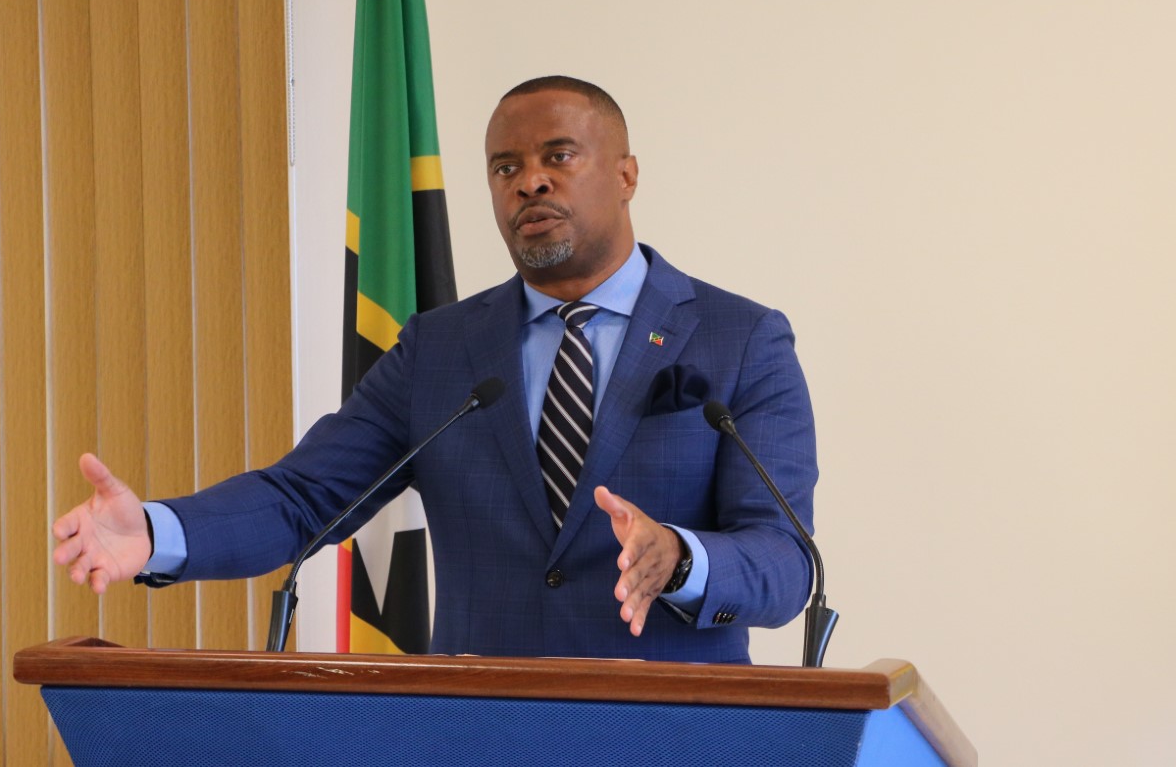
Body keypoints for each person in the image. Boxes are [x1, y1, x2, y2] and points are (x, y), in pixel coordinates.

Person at [53, 76, 818, 663]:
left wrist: (682, 558)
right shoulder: (442, 349)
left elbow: (786, 564)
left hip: (669, 739)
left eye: (558, 156)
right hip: (477, 730)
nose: (530, 182)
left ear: (625, 175)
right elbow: (304, 497)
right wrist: (157, 534)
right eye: (505, 167)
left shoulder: (738, 339)